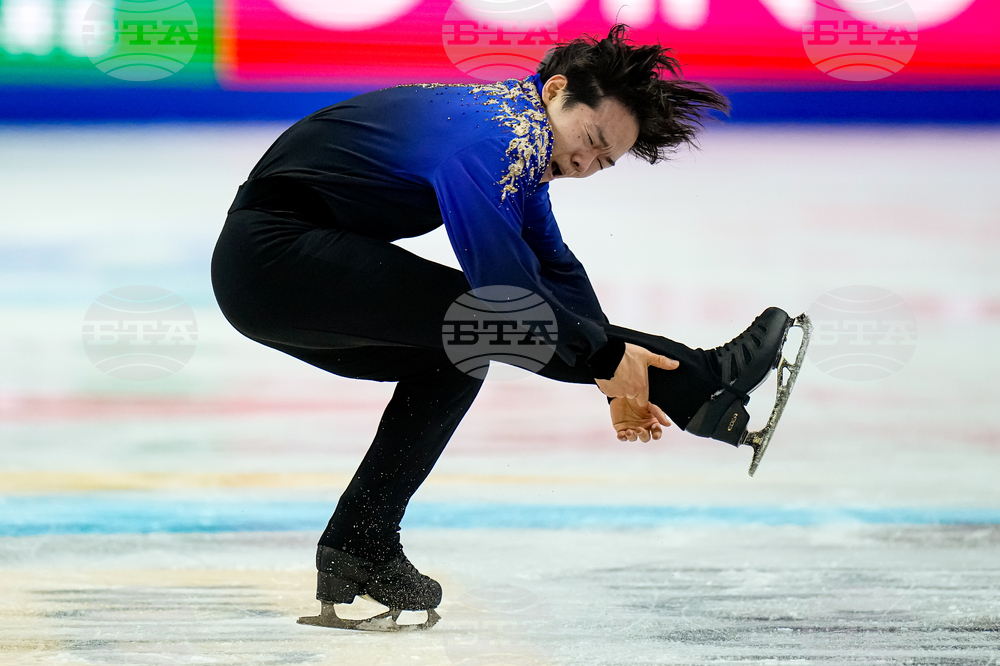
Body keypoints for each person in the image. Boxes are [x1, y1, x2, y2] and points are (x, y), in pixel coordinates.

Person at [211, 24, 801, 631]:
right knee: (482, 320)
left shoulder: (519, 137)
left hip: (281, 271)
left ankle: (361, 543)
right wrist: (605, 363)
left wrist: (615, 368)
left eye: (605, 161)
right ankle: (702, 380)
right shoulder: (493, 137)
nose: (585, 163)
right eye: (591, 139)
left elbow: (555, 269)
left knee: (452, 354)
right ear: (556, 91)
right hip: (273, 260)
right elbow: (504, 293)